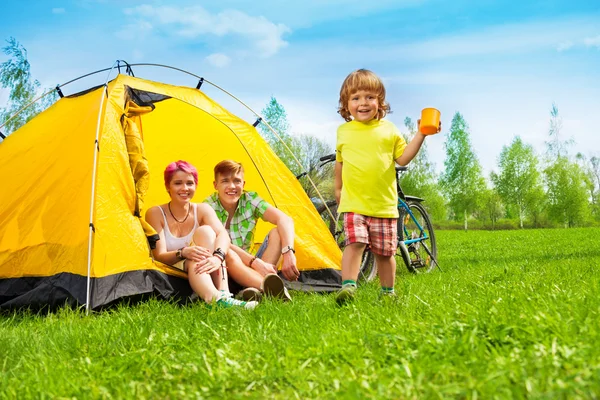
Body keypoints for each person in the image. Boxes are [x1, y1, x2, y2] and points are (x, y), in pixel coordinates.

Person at [334, 69, 441, 304]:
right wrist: (338, 188)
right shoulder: (343, 131)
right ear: (346, 104)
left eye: (370, 97)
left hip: (383, 204)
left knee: (385, 252)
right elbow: (340, 161)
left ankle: (388, 292)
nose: (363, 103)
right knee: (354, 243)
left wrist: (421, 134)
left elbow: (402, 159)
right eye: (356, 98)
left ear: (380, 102)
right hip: (354, 203)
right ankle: (349, 287)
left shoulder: (388, 130)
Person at [145, 160, 258, 309]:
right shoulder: (155, 213)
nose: (185, 188)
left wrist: (218, 257)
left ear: (196, 186)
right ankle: (215, 299)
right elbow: (159, 256)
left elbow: (223, 235)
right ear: (168, 186)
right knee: (194, 258)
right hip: (170, 270)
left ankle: (224, 293)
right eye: (178, 183)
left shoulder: (203, 209)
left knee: (206, 232)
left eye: (190, 183)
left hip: (203, 267)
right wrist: (183, 252)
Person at [204, 160, 299, 302]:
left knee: (278, 232)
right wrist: (255, 262)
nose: (232, 186)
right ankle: (267, 287)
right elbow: (224, 245)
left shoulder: (249, 199)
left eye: (237, 181)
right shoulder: (207, 207)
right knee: (227, 252)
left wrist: (289, 252)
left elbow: (285, 219)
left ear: (243, 184)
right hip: (223, 270)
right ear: (215, 185)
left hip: (250, 266)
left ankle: (253, 290)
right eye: (225, 181)